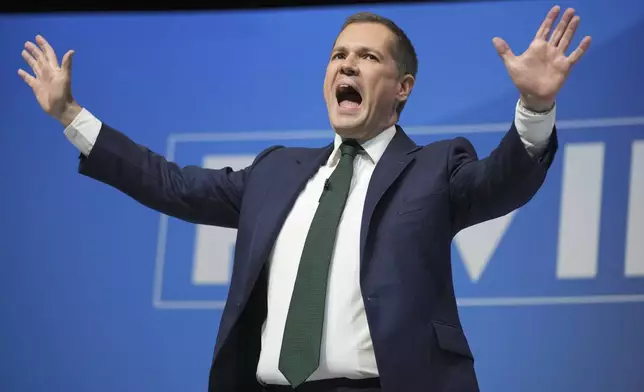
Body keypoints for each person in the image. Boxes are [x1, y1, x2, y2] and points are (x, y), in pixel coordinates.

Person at [18, 6, 590, 392]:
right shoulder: (274, 172)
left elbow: (503, 182)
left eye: (368, 57)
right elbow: (170, 184)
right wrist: (71, 116)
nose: (347, 64)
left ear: (403, 89)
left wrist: (535, 110)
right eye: (339, 55)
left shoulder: (435, 168)